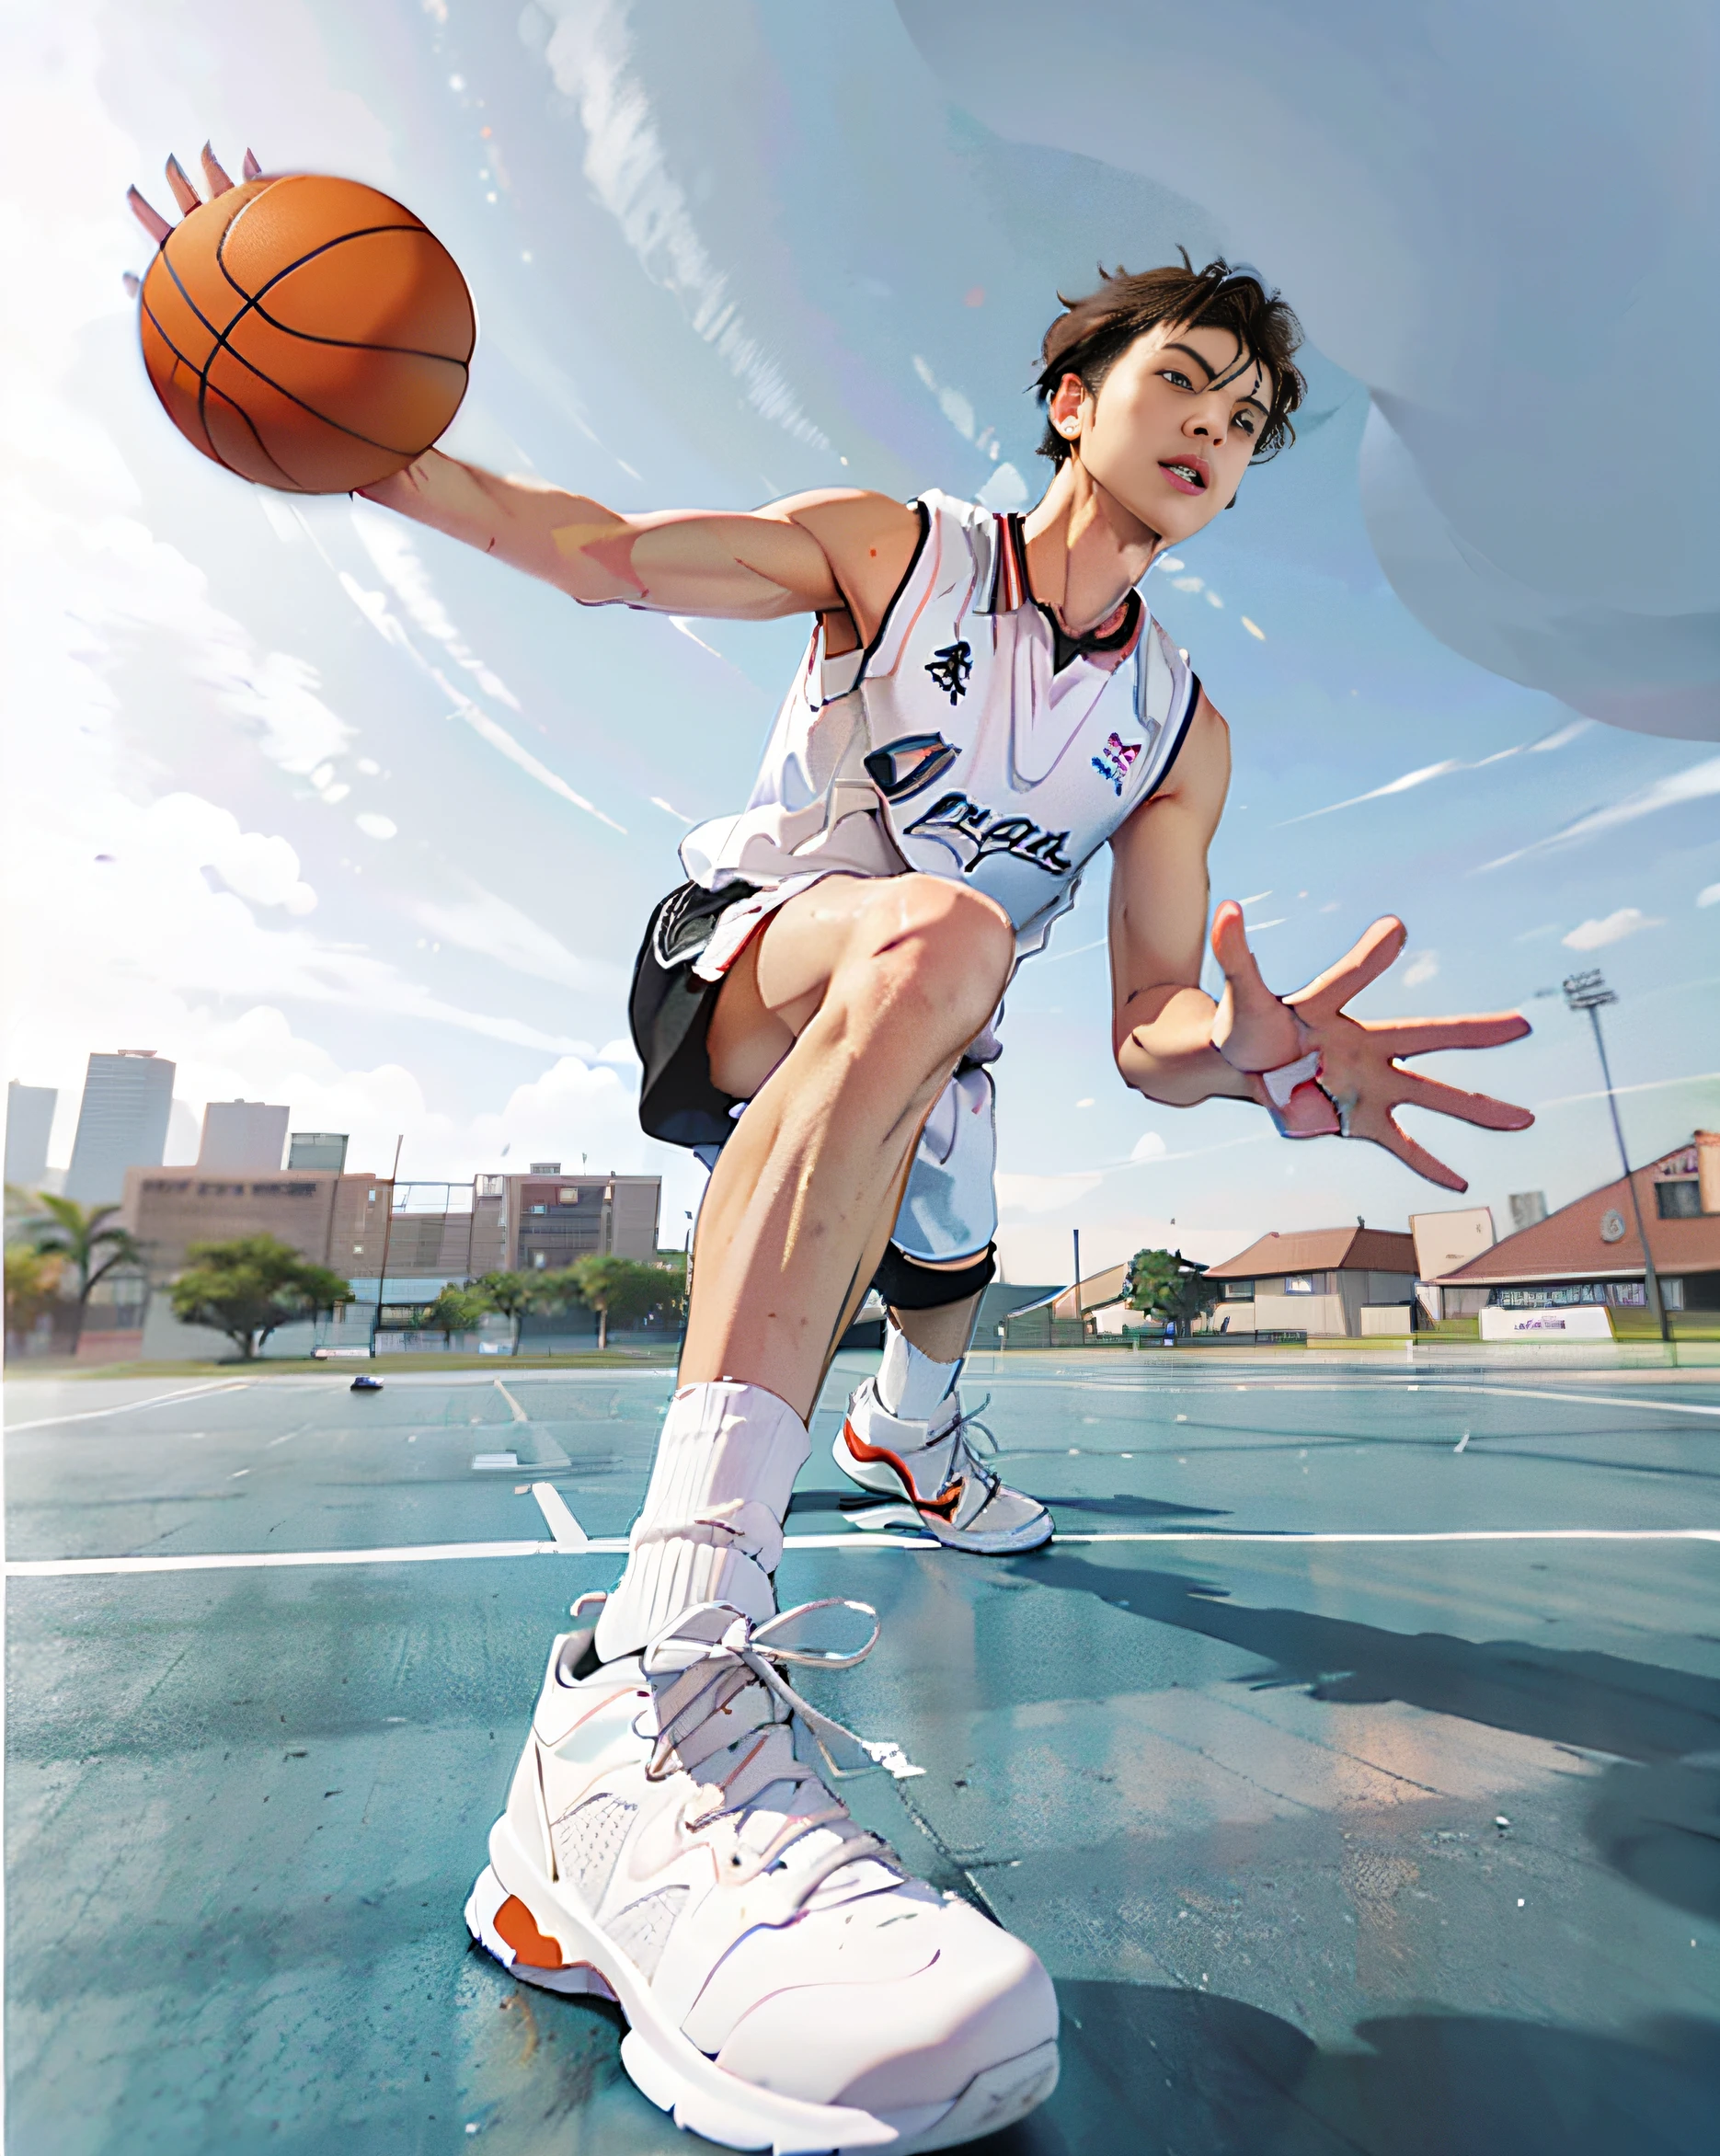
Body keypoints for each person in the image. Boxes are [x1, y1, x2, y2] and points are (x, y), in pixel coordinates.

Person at [131, 155, 1531, 2151]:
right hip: (745, 955)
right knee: (943, 933)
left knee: (945, 1219)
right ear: (1077, 393)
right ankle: (666, 1657)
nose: (1215, 431)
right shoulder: (899, 551)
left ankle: (912, 1431)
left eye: (1245, 424)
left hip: (922, 1041)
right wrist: (357, 440)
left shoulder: (1175, 727)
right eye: (1187, 384)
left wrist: (1250, 1054)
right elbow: (606, 552)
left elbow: (1145, 1027)